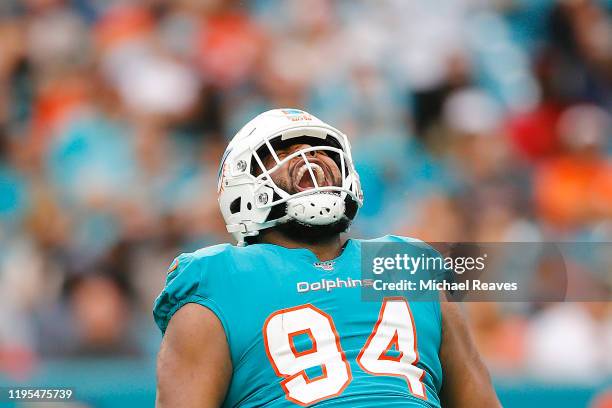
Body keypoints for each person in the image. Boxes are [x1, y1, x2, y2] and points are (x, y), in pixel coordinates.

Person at [153, 109, 500, 407]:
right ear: (243, 186)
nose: (309, 155)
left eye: (323, 151)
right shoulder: (217, 279)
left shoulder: (406, 261)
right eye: (284, 150)